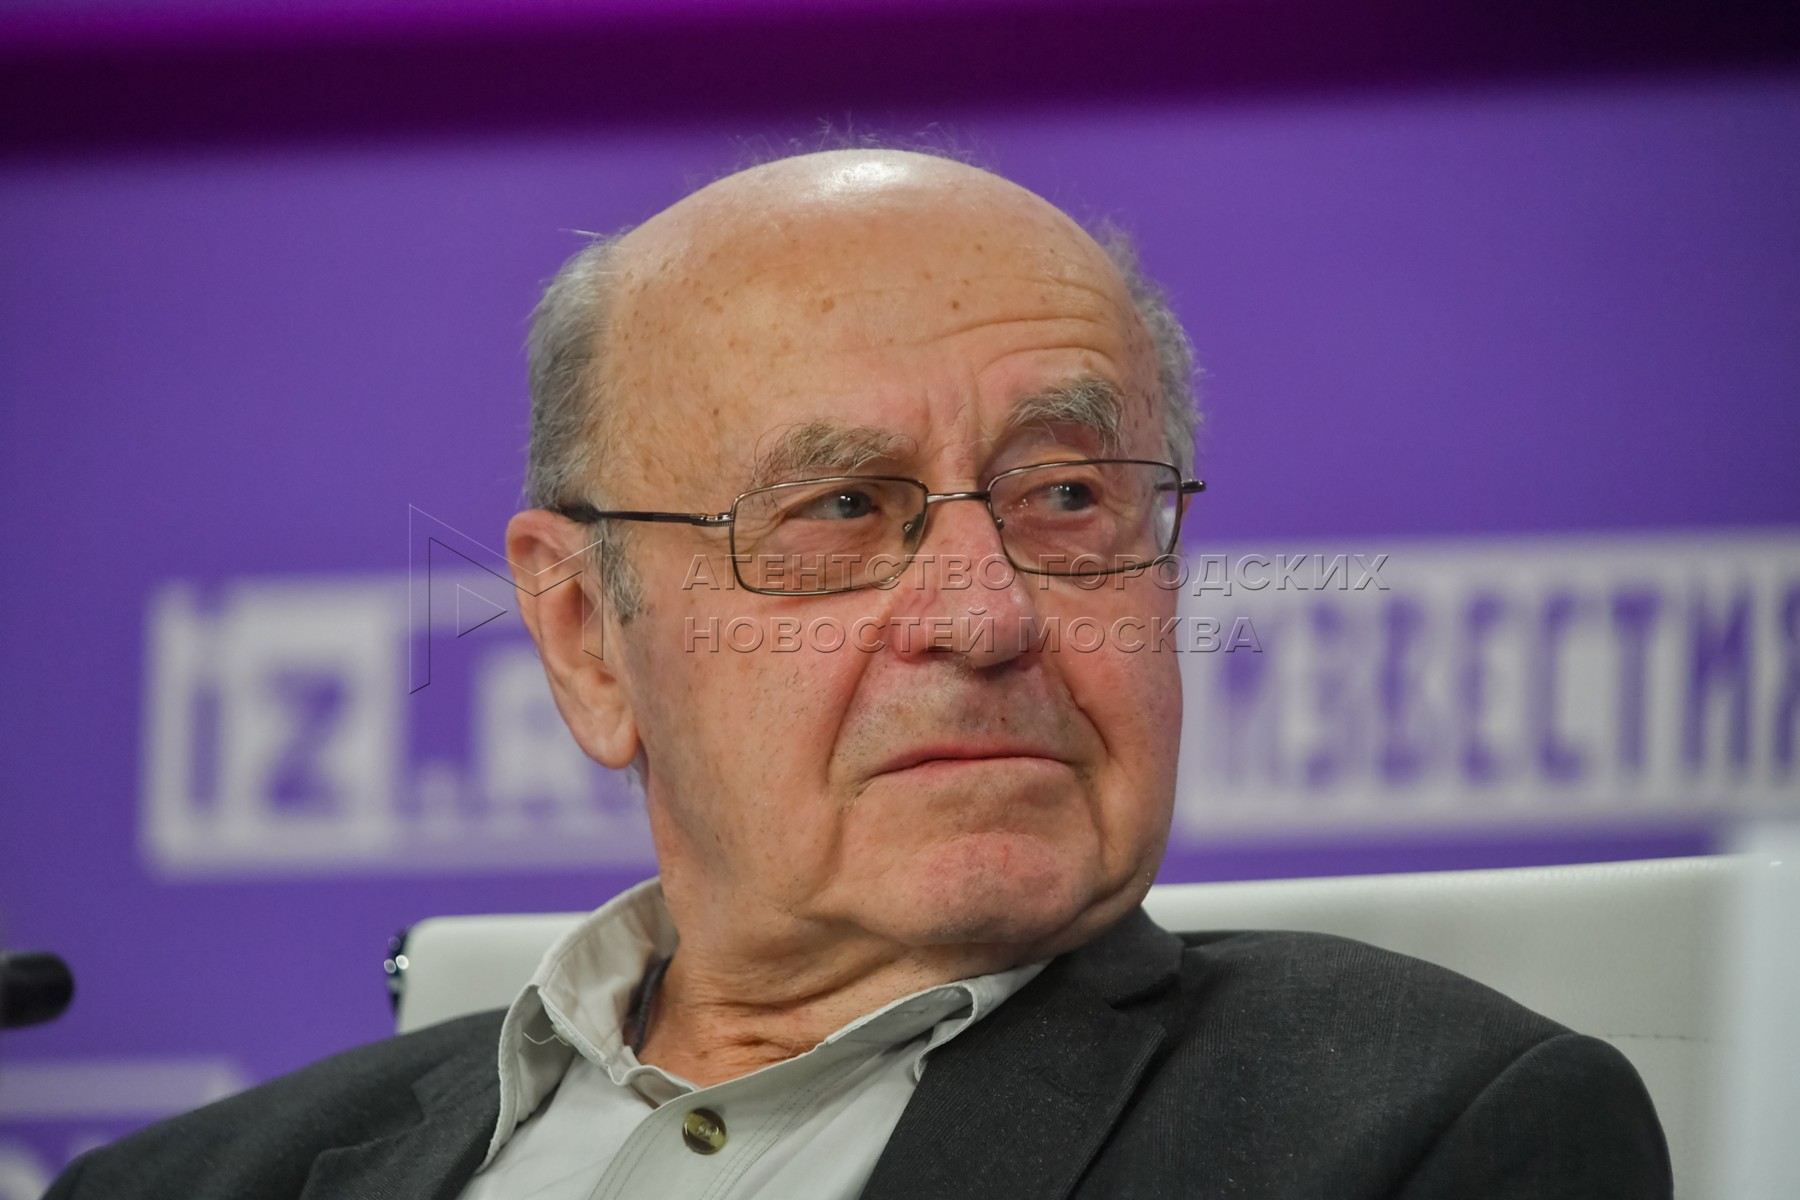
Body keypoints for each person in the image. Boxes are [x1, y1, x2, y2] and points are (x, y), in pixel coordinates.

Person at [47, 149, 1671, 1199]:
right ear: (587, 635)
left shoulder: (1413, 1131)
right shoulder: (184, 1185)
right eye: (838, 511)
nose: (986, 613)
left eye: (1068, 498)